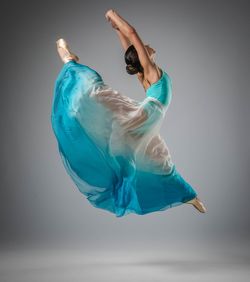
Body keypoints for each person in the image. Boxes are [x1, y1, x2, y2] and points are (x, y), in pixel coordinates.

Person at [51, 9, 207, 217]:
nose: (148, 46)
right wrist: (113, 15)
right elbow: (132, 34)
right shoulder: (151, 70)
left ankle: (188, 195)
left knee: (160, 161)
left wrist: (116, 30)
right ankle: (69, 60)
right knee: (97, 94)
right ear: (144, 57)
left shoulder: (143, 74)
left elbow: (129, 47)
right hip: (143, 117)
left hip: (146, 124)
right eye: (144, 48)